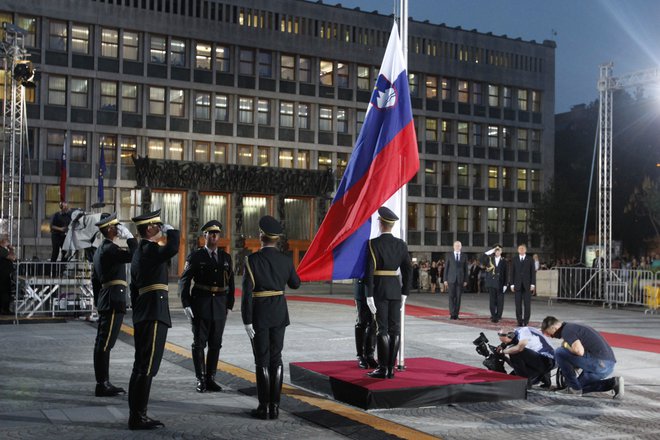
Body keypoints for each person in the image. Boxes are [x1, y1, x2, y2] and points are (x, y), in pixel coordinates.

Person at [242, 215, 300, 420]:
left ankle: (263, 406)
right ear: (277, 238)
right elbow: (295, 284)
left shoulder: (252, 260)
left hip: (259, 315)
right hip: (279, 314)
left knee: (262, 360)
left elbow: (247, 294)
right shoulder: (286, 260)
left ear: (261, 236)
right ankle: (275, 407)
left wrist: (247, 320)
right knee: (276, 359)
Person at [128, 210, 179, 430]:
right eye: (157, 225)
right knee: (147, 367)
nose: (160, 228)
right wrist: (171, 230)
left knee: (140, 366)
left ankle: (136, 414)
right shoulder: (149, 249)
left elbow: (133, 289)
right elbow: (173, 248)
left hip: (144, 311)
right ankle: (138, 417)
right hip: (153, 313)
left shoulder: (140, 251)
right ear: (149, 228)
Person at [179, 220, 235, 393]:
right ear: (204, 236)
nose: (213, 236)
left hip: (219, 305)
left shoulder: (226, 257)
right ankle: (200, 379)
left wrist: (229, 303)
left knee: (216, 344)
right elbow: (184, 281)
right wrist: (186, 303)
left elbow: (231, 282)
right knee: (199, 344)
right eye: (210, 234)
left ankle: (211, 378)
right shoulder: (195, 256)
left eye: (216, 234)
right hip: (200, 304)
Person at [91, 213, 137, 397]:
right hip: (112, 300)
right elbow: (134, 255)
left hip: (106, 299)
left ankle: (103, 382)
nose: (119, 228)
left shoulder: (100, 249)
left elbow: (94, 280)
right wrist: (131, 237)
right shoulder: (110, 248)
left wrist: (97, 301)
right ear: (110, 229)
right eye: (116, 226)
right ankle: (102, 384)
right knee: (104, 344)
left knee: (103, 343)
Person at [365, 206, 412, 379]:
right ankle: (391, 369)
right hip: (395, 289)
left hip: (379, 289)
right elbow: (408, 270)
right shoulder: (401, 245)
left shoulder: (373, 244)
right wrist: (405, 292)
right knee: (395, 329)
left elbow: (369, 271)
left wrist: (369, 294)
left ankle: (383, 368)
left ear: (381, 224)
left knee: (381, 329)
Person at [541, 316, 623, 398]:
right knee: (580, 387)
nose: (551, 336)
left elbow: (579, 351)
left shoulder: (567, 330)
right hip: (608, 366)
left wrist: (566, 345)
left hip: (600, 363)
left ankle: (573, 389)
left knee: (559, 352)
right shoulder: (573, 327)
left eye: (549, 334)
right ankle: (613, 383)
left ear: (553, 327)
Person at [353, 278, 377, 369]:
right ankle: (360, 356)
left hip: (375, 288)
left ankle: (370, 355)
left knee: (373, 323)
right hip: (362, 287)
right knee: (361, 322)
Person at [510, 243, 536, 326]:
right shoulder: (514, 259)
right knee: (518, 304)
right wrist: (512, 284)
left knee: (527, 304)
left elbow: (533, 273)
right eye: (520, 249)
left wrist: (533, 284)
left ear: (525, 250)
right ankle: (519, 320)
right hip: (517, 285)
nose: (521, 250)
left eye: (523, 249)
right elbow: (512, 272)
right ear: (518, 250)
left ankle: (526, 321)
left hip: (527, 285)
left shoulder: (530, 259)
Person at [481, 245, 507, 323]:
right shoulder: (490, 259)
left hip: (500, 283)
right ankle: (493, 315)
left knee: (500, 301)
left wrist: (505, 284)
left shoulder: (504, 261)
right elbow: (481, 259)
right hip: (491, 283)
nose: (497, 252)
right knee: (492, 300)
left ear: (501, 251)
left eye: (499, 250)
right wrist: (489, 252)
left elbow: (506, 273)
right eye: (496, 250)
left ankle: (498, 315)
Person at [443, 240, 468, 320]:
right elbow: (446, 268)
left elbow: (466, 269)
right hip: (451, 279)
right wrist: (445, 279)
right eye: (456, 245)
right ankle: (452, 313)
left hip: (460, 280)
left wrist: (465, 280)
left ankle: (456, 314)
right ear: (453, 247)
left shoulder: (464, 256)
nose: (457, 247)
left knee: (458, 297)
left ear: (461, 247)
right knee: (451, 297)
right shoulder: (449, 255)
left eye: (459, 246)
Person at [0, 238, 16, 315]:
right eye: (8, 243)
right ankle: (5, 310)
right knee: (6, 292)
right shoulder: (2, 250)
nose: (9, 244)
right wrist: (11, 249)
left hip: (3, 274)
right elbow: (13, 258)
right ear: (4, 242)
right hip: (3, 275)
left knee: (4, 292)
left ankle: (3, 309)